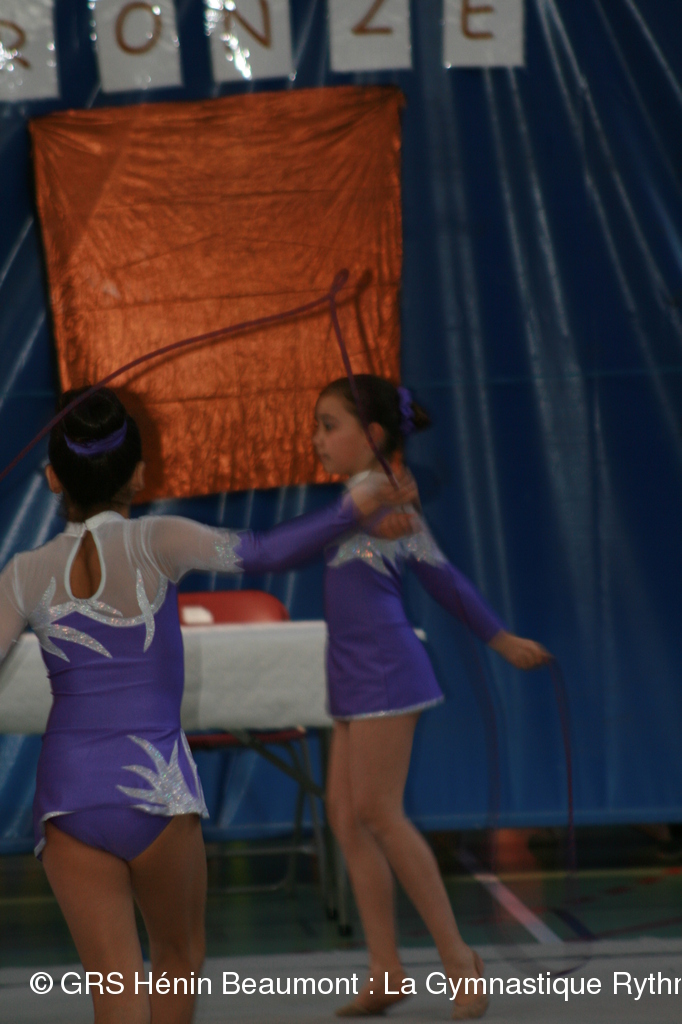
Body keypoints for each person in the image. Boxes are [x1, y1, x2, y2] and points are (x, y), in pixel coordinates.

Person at [0, 386, 417, 1024]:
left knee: (113, 990)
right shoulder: (160, 539)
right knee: (177, 956)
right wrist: (352, 506)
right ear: (140, 474)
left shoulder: (23, 573)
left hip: (68, 799)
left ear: (54, 477)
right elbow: (265, 552)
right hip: (156, 789)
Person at [313, 375, 552, 1020]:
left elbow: (444, 581)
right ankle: (386, 969)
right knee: (345, 818)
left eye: (330, 426)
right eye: (317, 427)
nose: (317, 440)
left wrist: (502, 640)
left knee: (379, 813)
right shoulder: (361, 501)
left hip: (387, 673)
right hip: (351, 676)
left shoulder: (390, 505)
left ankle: (457, 957)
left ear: (373, 434)